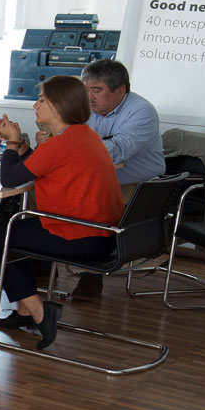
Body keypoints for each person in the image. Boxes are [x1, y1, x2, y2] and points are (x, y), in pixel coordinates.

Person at [0, 76, 124, 349]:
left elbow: (11, 178)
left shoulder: (61, 144)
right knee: (10, 236)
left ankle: (39, 312)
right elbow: (38, 165)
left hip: (80, 237)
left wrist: (11, 144)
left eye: (42, 99)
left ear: (59, 105)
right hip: (101, 234)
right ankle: (24, 311)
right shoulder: (82, 136)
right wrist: (22, 145)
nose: (35, 105)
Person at [75, 58, 162, 302]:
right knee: (39, 191)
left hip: (134, 184)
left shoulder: (141, 111)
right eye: (85, 89)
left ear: (120, 90)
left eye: (96, 90)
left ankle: (93, 273)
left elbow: (118, 150)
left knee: (94, 202)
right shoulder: (84, 108)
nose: (89, 97)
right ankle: (40, 262)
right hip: (92, 178)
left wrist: (70, 148)